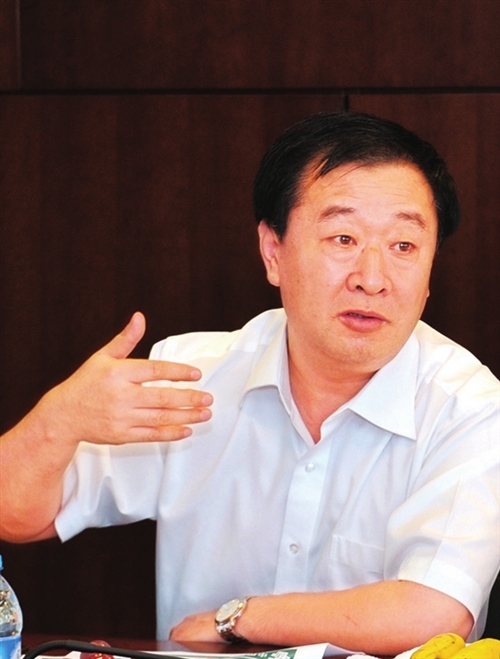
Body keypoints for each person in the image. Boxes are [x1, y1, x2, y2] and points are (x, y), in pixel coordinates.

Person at [0, 111, 498, 656]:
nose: (372, 278)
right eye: (343, 237)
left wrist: (238, 619)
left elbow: (434, 614)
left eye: (404, 246)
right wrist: (58, 421)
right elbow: (16, 514)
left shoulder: (469, 408)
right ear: (273, 252)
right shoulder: (193, 378)